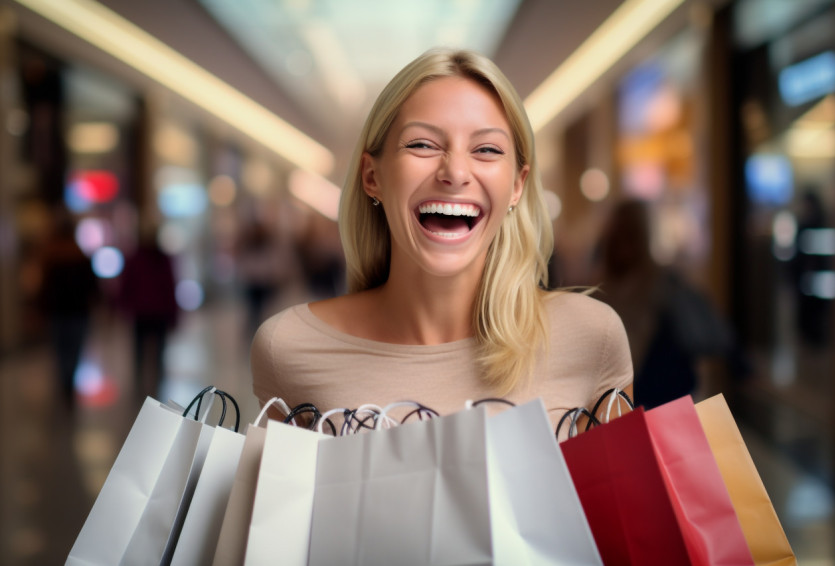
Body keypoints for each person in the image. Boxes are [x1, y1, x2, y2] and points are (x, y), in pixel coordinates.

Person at [251, 48, 633, 429]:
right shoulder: (289, 348)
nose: (455, 172)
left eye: (486, 149)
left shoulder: (591, 338)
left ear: (517, 185)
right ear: (372, 177)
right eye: (422, 144)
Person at [594, 199, 732, 409]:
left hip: (661, 406)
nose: (623, 245)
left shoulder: (668, 288)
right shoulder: (597, 291)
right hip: (623, 405)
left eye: (631, 236)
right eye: (618, 236)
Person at [38, 207, 99, 406]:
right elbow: (92, 287)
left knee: (60, 350)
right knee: (74, 349)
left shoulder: (51, 257)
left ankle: (65, 383)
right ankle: (68, 384)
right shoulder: (80, 257)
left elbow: (44, 288)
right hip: (79, 311)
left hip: (58, 311)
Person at [119, 227, 179, 400]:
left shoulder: (137, 258)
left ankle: (144, 383)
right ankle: (154, 383)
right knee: (155, 351)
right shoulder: (159, 259)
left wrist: (123, 305)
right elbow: (170, 287)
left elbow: (126, 286)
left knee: (142, 351)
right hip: (154, 312)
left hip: (143, 313)